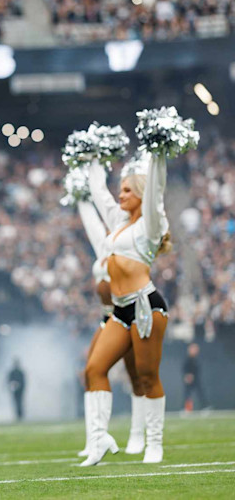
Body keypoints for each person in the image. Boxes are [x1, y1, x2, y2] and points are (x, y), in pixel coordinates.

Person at [83, 152, 171, 465]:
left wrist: (158, 154)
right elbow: (99, 196)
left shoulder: (150, 225)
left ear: (141, 195)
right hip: (120, 310)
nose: (120, 195)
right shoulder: (119, 224)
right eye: (120, 190)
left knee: (147, 376)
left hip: (146, 306)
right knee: (94, 369)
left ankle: (154, 443)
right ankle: (98, 439)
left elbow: (156, 190)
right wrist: (91, 160)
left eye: (127, 191)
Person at [76, 199, 146, 457]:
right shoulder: (106, 244)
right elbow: (93, 224)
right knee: (90, 372)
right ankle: (94, 437)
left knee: (136, 375)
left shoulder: (133, 244)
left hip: (130, 315)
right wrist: (81, 197)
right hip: (109, 317)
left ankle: (137, 435)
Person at [183, 343, 208, 411]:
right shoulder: (187, 359)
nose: (194, 350)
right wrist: (187, 376)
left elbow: (198, 370)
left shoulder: (197, 359)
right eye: (192, 349)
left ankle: (204, 407)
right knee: (188, 394)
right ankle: (188, 409)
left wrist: (193, 376)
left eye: (195, 349)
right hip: (189, 380)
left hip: (196, 379)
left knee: (200, 393)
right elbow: (184, 369)